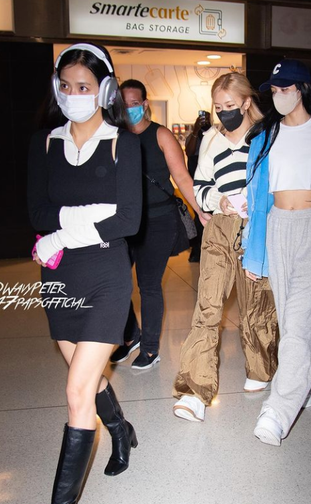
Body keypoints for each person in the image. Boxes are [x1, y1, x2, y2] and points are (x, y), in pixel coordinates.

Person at [25, 43, 142, 504]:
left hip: (106, 275)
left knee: (76, 392)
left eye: (85, 87)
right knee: (88, 379)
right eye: (67, 86)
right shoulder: (43, 143)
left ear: (105, 90)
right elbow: (37, 212)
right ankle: (120, 429)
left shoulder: (123, 144)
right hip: (60, 276)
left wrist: (63, 230)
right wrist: (89, 217)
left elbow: (128, 220)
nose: (74, 95)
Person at [243, 60, 311, 446]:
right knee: (291, 322)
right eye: (274, 90)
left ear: (302, 89)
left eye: (285, 89)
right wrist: (253, 253)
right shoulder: (265, 136)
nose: (278, 96)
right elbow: (257, 201)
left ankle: (278, 412)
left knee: (299, 325)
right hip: (277, 228)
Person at [172, 72, 278, 422]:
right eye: (218, 107)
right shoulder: (210, 139)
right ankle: (194, 390)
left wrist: (258, 201)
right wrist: (219, 200)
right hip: (220, 227)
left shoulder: (267, 136)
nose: (223, 113)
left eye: (230, 105)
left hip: (257, 229)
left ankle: (262, 367)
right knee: (208, 306)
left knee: (256, 307)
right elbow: (200, 184)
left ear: (247, 102)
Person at [110, 79, 209, 370]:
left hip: (158, 220)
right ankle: (132, 336)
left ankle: (150, 349)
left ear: (144, 104)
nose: (129, 109)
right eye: (124, 104)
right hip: (125, 223)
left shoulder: (160, 135)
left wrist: (201, 211)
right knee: (115, 282)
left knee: (148, 284)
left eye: (134, 103)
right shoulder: (115, 136)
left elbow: (182, 178)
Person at [185, 111, 211, 262]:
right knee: (199, 216)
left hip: (211, 182)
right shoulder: (193, 137)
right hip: (194, 181)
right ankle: (196, 250)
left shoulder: (214, 136)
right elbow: (189, 151)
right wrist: (195, 130)